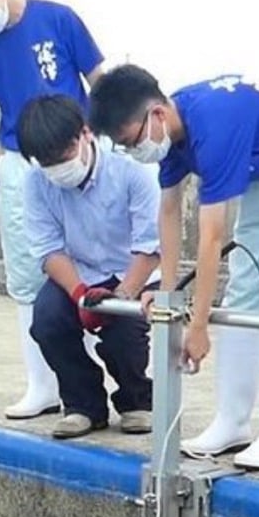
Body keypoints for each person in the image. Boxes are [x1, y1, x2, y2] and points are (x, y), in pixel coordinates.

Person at [90, 66, 259, 470]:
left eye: (131, 141)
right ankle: (232, 421)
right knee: (243, 295)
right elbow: (169, 211)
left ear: (156, 114)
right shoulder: (172, 134)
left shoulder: (214, 126)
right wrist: (168, 292)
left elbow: (212, 236)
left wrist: (197, 327)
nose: (135, 151)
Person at [0, 0, 104, 419]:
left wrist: (109, 139)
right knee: (28, 275)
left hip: (77, 150)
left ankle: (95, 382)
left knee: (91, 264)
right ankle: (43, 384)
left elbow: (99, 79)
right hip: (20, 162)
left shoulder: (58, 18)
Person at [17, 95, 157, 438]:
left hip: (132, 272)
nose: (58, 167)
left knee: (124, 333)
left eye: (64, 154)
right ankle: (83, 405)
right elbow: (48, 249)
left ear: (85, 134)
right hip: (78, 273)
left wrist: (121, 296)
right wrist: (79, 293)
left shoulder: (132, 173)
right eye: (47, 162)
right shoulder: (36, 183)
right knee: (47, 321)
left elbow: (151, 247)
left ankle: (137, 401)